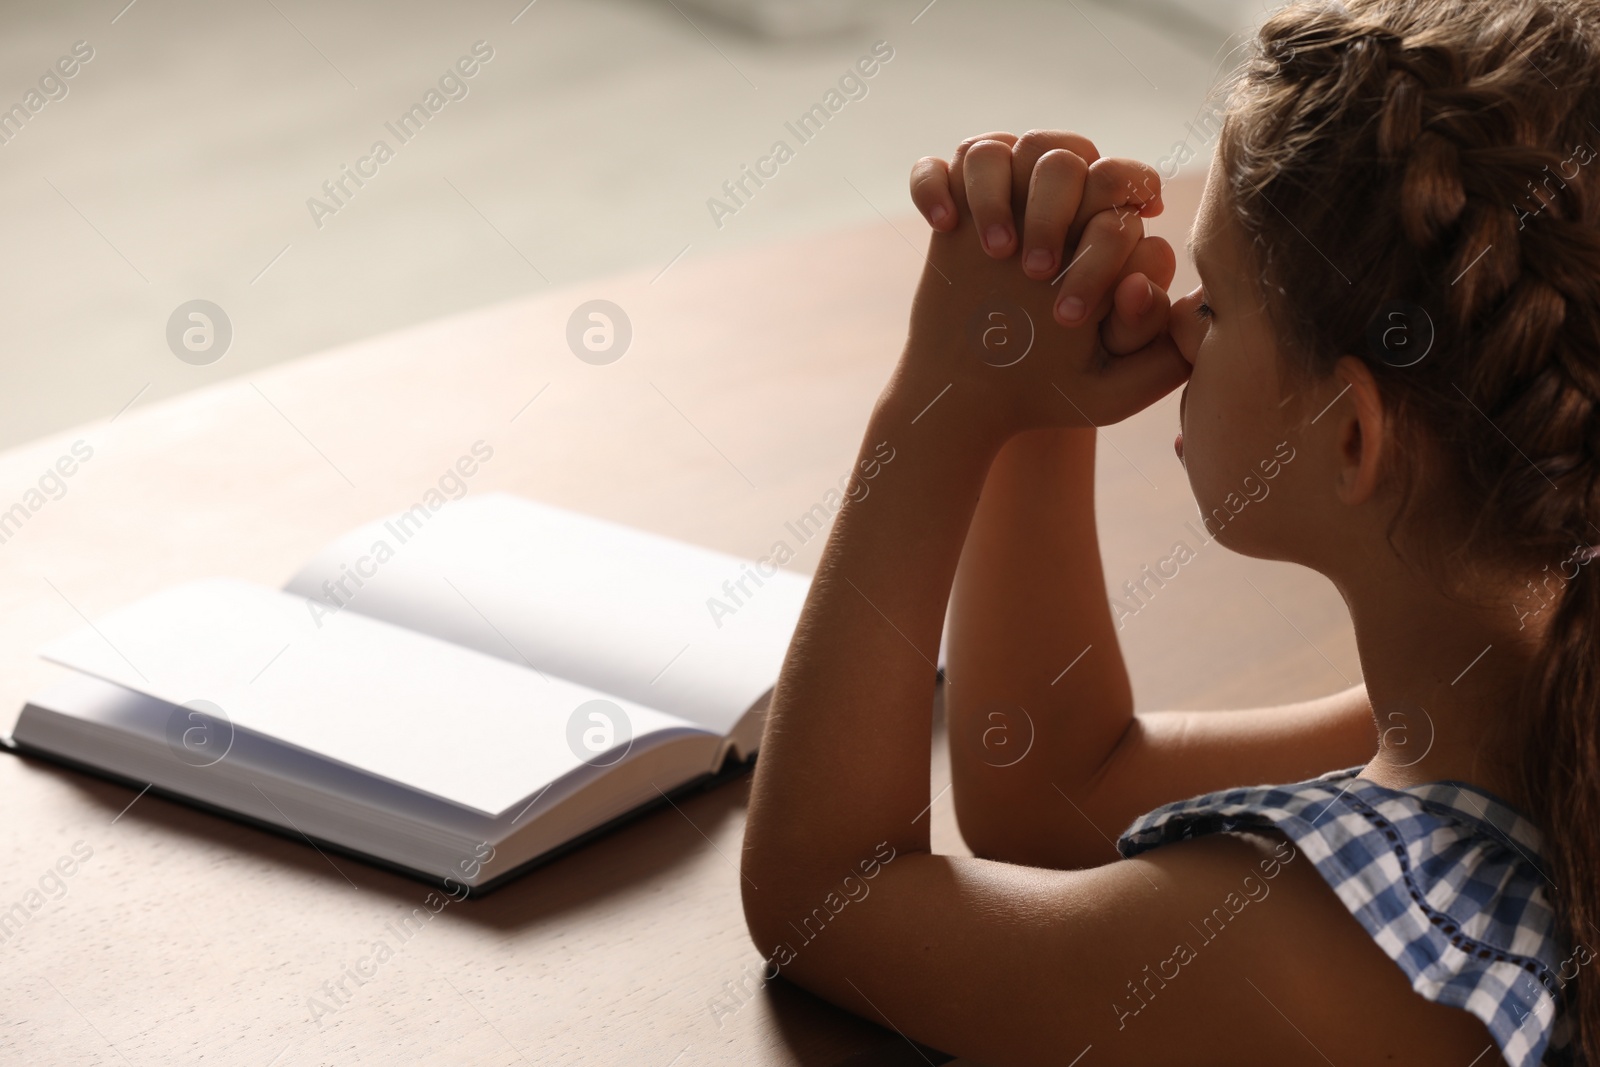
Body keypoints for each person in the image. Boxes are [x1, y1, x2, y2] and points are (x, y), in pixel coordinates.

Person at [738, 0, 1600, 1063]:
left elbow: (826, 895)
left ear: (1348, 436)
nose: (1183, 319)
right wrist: (1031, 400)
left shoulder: (1320, 947)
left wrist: (938, 408)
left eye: (1221, 299)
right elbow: (1056, 790)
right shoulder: (1523, 702)